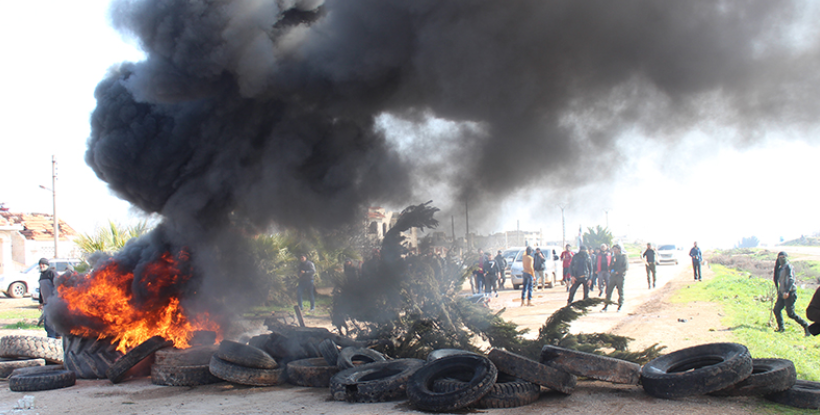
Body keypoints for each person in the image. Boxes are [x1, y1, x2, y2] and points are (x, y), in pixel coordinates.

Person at [772, 252, 810, 336]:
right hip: (782, 293)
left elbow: (791, 279)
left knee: (790, 313)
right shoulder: (780, 268)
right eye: (780, 257)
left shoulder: (788, 267)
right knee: (776, 309)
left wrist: (786, 291)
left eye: (783, 257)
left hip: (790, 293)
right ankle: (781, 328)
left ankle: (806, 326)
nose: (782, 258)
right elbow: (777, 280)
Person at [38, 258, 59, 338]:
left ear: (47, 265)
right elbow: (41, 290)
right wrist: (41, 302)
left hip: (53, 302)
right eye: (40, 264)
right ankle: (54, 340)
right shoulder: (41, 275)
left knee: (50, 324)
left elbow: (58, 287)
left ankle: (52, 340)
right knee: (48, 324)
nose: (42, 266)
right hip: (46, 303)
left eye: (43, 264)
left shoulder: (52, 273)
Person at [603, 244, 629, 312]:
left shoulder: (623, 257)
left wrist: (618, 272)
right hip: (613, 277)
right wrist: (611, 265)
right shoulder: (613, 257)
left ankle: (620, 305)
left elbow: (625, 267)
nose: (614, 251)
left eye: (615, 249)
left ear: (619, 250)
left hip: (620, 276)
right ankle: (606, 306)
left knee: (620, 292)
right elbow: (610, 267)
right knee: (609, 291)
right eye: (613, 249)